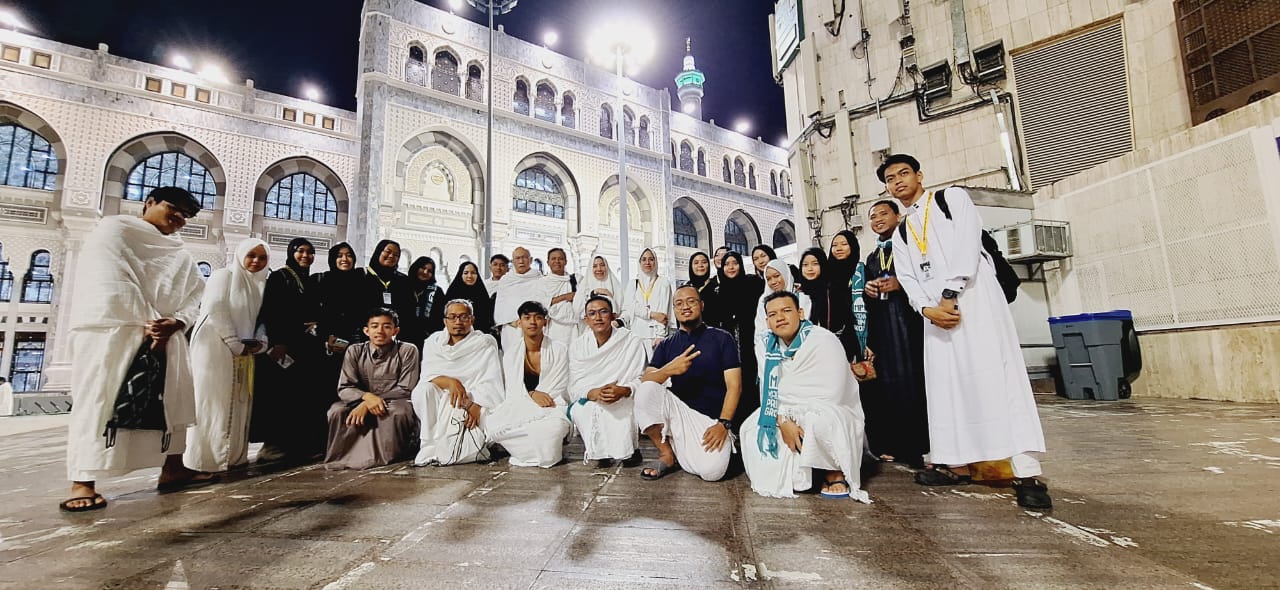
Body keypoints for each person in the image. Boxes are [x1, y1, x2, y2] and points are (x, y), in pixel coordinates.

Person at [879, 153, 1050, 509]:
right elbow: (907, 278)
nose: (897, 182)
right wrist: (926, 308)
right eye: (890, 179)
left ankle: (1025, 472)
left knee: (997, 377)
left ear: (919, 175)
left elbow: (967, 245)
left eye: (903, 173)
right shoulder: (902, 232)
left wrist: (949, 292)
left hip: (973, 299)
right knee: (947, 387)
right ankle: (955, 464)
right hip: (936, 315)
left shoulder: (950, 199)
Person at [61, 187, 209, 512]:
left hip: (168, 334)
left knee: (172, 403)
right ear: (149, 203)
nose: (179, 217)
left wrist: (177, 322)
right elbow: (109, 282)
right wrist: (151, 323)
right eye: (173, 208)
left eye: (186, 215)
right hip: (115, 330)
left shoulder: (180, 254)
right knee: (100, 402)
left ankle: (173, 467)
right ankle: (82, 482)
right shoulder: (114, 232)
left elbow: (196, 295)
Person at [741, 291, 870, 502]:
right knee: (752, 430)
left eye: (786, 311)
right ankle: (806, 472)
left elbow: (833, 394)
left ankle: (833, 472)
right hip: (783, 413)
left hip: (827, 410)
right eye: (773, 314)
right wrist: (783, 420)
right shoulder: (767, 346)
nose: (780, 318)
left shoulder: (823, 340)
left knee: (818, 421)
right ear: (767, 322)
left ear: (800, 313)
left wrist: (793, 415)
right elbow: (768, 393)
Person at [633, 286, 741, 482]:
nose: (685, 307)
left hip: (711, 420)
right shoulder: (666, 344)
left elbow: (735, 386)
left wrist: (724, 424)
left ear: (701, 305)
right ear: (674, 309)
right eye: (679, 303)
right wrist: (669, 370)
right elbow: (646, 381)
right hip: (679, 413)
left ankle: (686, 452)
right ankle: (667, 455)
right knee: (645, 390)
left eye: (691, 301)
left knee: (712, 473)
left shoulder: (722, 338)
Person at [183, 238, 270, 475]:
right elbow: (216, 309)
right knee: (212, 402)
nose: (256, 261)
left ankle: (233, 457)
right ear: (241, 255)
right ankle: (204, 461)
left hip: (243, 349)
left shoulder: (259, 284)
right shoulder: (224, 276)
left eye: (262, 258)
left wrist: (260, 342)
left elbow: (261, 318)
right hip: (214, 345)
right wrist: (233, 342)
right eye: (251, 255)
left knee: (239, 399)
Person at [862, 200, 929, 467]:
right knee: (889, 387)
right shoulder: (872, 257)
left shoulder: (912, 245)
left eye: (883, 213)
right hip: (884, 328)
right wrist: (868, 290)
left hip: (910, 325)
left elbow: (928, 276)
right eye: (873, 216)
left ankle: (921, 447)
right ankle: (898, 445)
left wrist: (900, 284)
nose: (878, 219)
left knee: (915, 383)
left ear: (898, 216)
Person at [252, 237, 326, 461]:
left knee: (299, 397)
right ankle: (273, 445)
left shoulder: (308, 280)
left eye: (310, 252)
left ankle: (296, 445)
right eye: (300, 251)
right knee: (280, 398)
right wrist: (278, 341)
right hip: (284, 347)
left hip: (304, 347)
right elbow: (272, 312)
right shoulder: (280, 277)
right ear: (291, 253)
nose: (305, 256)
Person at [324, 308, 421, 470]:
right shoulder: (354, 351)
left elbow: (406, 388)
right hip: (359, 400)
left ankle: (393, 454)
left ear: (395, 331)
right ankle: (343, 457)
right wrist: (366, 398)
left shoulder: (407, 350)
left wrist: (370, 401)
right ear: (366, 331)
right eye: (375, 326)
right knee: (336, 411)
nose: (380, 331)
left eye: (386, 326)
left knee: (398, 412)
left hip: (396, 400)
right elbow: (345, 387)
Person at [412, 299, 504, 466]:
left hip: (474, 398)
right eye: (452, 317)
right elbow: (427, 375)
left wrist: (476, 405)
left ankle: (450, 449)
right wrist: (451, 382)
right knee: (423, 390)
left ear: (472, 319)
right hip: (442, 394)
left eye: (463, 317)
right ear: (445, 321)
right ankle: (429, 444)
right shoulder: (433, 342)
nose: (458, 322)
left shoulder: (484, 342)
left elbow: (492, 380)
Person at [486, 301, 573, 468]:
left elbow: (559, 386)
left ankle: (530, 450)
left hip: (552, 406)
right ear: (519, 323)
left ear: (545, 322)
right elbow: (513, 392)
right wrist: (531, 394)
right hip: (521, 405)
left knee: (552, 428)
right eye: (527, 318)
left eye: (538, 317)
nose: (532, 322)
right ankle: (533, 448)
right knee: (493, 425)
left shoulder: (559, 349)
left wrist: (538, 398)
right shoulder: (511, 354)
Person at [567, 295, 648, 467]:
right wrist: (592, 393)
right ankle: (601, 453)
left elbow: (642, 378)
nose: (598, 317)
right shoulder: (578, 346)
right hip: (592, 398)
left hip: (624, 396)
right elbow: (574, 385)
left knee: (623, 411)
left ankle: (630, 451)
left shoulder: (631, 341)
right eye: (592, 313)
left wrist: (624, 390)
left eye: (603, 312)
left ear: (613, 316)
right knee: (585, 410)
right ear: (586, 320)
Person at [713, 251, 764, 426]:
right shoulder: (718, 290)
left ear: (741, 265)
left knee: (750, 380)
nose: (731, 267)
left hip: (750, 340)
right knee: (732, 382)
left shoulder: (752, 283)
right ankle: (734, 425)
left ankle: (753, 423)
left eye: (734, 263)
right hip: (729, 344)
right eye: (727, 264)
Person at [316, 243, 365, 386]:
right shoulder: (323, 281)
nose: (345, 259)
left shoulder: (361, 281)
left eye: (349, 255)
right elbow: (318, 314)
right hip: (331, 341)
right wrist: (325, 336)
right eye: (339, 256)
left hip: (356, 342)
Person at [826, 229, 870, 363]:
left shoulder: (861, 273)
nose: (838, 248)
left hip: (857, 336)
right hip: (832, 340)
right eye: (834, 245)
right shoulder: (826, 275)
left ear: (853, 246)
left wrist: (871, 342)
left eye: (844, 244)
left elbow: (873, 307)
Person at [621, 248, 673, 348]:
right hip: (635, 335)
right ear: (639, 262)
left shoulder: (663, 283)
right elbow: (629, 307)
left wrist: (660, 336)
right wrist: (651, 314)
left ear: (655, 261)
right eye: (644, 259)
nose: (647, 263)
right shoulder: (633, 284)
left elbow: (663, 315)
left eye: (651, 259)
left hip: (655, 337)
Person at [493, 247, 544, 348]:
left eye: (524, 257)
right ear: (512, 261)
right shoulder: (506, 280)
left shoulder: (539, 279)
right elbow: (500, 306)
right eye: (517, 258)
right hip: (512, 328)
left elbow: (543, 303)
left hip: (534, 326)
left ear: (530, 260)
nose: (521, 261)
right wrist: (511, 322)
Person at [360, 240, 415, 330]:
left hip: (395, 333)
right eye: (388, 252)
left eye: (396, 255)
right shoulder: (362, 277)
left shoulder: (403, 281)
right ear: (379, 252)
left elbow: (408, 312)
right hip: (367, 332)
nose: (391, 256)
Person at [754, 260, 812, 338]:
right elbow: (760, 331)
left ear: (785, 274)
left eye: (776, 276)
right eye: (768, 279)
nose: (773, 282)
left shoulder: (802, 297)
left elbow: (806, 323)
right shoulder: (763, 301)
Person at [438, 261, 494, 334]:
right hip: (455, 334)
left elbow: (487, 318)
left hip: (479, 335)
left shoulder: (482, 294)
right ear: (460, 274)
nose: (469, 276)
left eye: (473, 273)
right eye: (466, 273)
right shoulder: (453, 293)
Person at [405, 256, 446, 350]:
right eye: (423, 268)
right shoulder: (404, 286)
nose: (425, 272)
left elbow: (440, 317)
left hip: (428, 340)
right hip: (404, 337)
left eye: (430, 271)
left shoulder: (436, 291)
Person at [573, 256, 623, 329]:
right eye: (595, 266)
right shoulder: (584, 286)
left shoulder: (615, 285)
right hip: (590, 329)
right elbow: (577, 309)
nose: (599, 269)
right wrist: (594, 293)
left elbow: (621, 309)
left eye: (602, 265)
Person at [541, 248, 577, 344]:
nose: (557, 261)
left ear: (565, 262)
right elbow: (540, 304)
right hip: (552, 327)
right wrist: (564, 297)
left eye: (560, 259)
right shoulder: (542, 282)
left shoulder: (576, 280)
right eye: (553, 259)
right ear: (548, 262)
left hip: (573, 327)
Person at [796, 248, 833, 328]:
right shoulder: (798, 294)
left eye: (815, 264)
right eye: (805, 265)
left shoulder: (832, 291)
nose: (810, 269)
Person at [686, 251, 721, 327]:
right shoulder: (685, 289)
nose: (700, 265)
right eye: (696, 263)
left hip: (712, 331)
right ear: (691, 266)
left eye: (704, 262)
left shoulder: (716, 287)